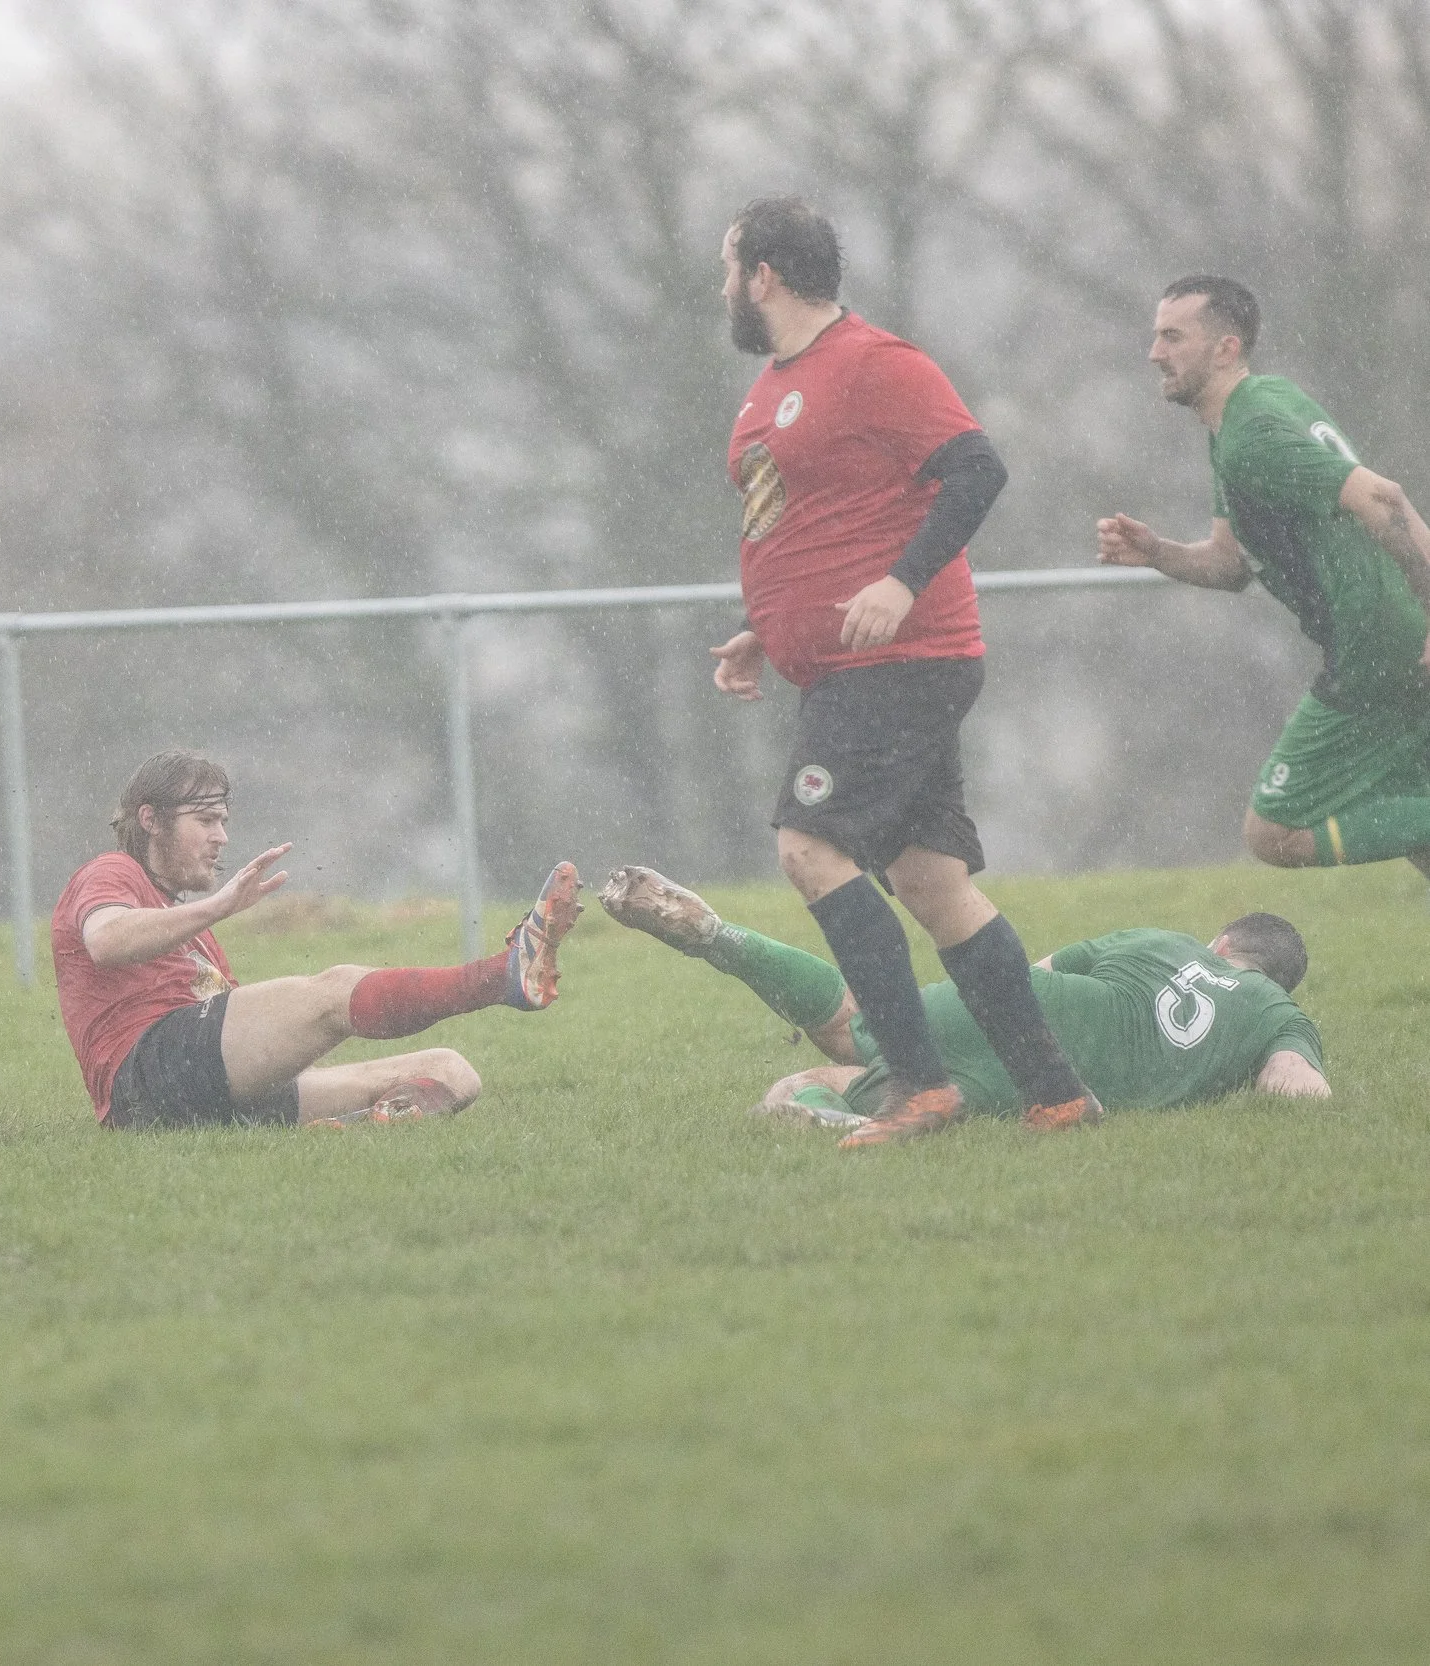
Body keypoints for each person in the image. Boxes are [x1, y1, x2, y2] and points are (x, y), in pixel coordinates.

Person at [704, 195, 1100, 1147]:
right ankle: (1057, 1095)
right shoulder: (772, 383)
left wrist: (899, 580)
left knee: (808, 845)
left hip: (903, 659)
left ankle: (920, 1087)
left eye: (728, 267)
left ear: (763, 275)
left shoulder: (876, 363)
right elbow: (813, 521)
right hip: (847, 664)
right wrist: (770, 625)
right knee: (931, 881)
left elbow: (978, 471)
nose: (722, 287)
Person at [51, 749, 581, 1129]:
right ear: (150, 820)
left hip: (205, 1085)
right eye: (206, 820)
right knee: (334, 991)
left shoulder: (187, 922)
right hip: (147, 1082)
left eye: (224, 820)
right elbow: (105, 938)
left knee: (450, 1071)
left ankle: (343, 1133)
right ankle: (501, 976)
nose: (222, 837)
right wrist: (219, 906)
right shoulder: (113, 872)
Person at [1096, 275, 1430, 878]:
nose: (1154, 353)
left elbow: (1383, 502)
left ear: (1226, 347)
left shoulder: (1252, 438)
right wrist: (1158, 552)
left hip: (1380, 647)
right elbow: (1229, 566)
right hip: (1395, 636)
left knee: (1274, 831)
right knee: (1416, 828)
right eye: (1156, 336)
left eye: (1173, 337)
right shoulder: (1255, 410)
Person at [598, 867, 1328, 1140]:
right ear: (1268, 974)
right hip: (1048, 1082)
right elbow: (1296, 1090)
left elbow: (1018, 970)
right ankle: (815, 1112)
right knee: (833, 1089)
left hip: (1028, 1013)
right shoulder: (1275, 1015)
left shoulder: (1164, 940)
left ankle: (720, 937)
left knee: (858, 1027)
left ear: (1223, 942)